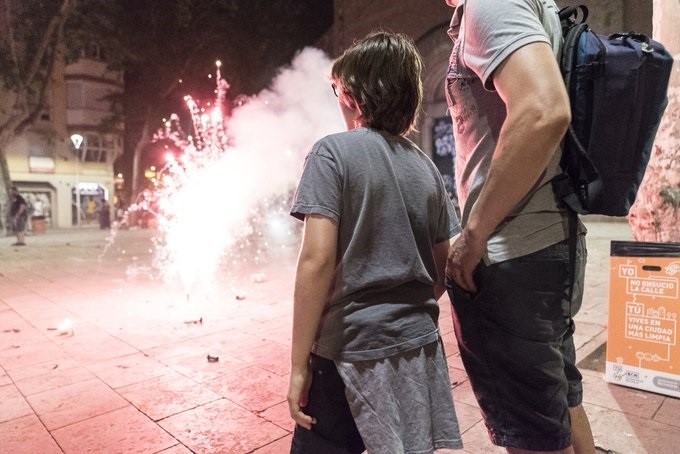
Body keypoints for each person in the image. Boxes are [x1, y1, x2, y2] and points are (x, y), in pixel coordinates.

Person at [288, 31, 463, 453]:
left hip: (350, 348)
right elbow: (446, 266)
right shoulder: (424, 168)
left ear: (352, 94)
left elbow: (315, 260)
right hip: (416, 346)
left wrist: (298, 367)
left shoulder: (331, 153)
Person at [443, 1, 596, 453]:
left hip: (513, 257)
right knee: (559, 409)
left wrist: (473, 235)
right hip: (548, 245)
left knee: (534, 438)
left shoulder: (490, 4)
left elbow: (544, 110)